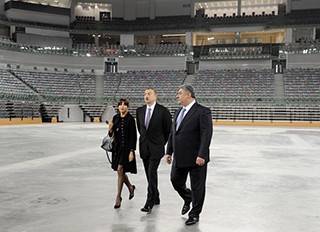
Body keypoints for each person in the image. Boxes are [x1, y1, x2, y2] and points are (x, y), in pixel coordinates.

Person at [165, 84, 213, 226]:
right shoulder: (178, 111)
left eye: (179, 93)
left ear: (188, 95)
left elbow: (206, 134)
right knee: (175, 180)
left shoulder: (202, 111)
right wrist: (169, 151)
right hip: (179, 156)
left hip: (196, 157)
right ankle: (188, 197)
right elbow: (173, 133)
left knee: (198, 186)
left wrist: (202, 155)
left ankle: (194, 214)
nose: (177, 96)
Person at [136, 87, 172, 213]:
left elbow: (168, 130)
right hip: (144, 147)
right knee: (149, 174)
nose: (146, 96)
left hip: (156, 148)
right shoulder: (139, 111)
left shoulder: (163, 111)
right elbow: (141, 130)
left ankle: (149, 201)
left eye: (149, 94)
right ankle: (156, 196)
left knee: (151, 172)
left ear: (155, 96)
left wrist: (162, 143)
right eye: (145, 94)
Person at [108, 98, 137, 209]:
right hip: (117, 149)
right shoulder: (115, 118)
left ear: (127, 107)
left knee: (120, 169)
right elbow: (111, 135)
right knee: (120, 171)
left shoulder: (130, 119)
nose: (122, 107)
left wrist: (131, 151)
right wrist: (110, 129)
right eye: (120, 105)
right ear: (118, 107)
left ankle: (118, 197)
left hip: (126, 149)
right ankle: (130, 187)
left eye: (125, 105)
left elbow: (133, 137)